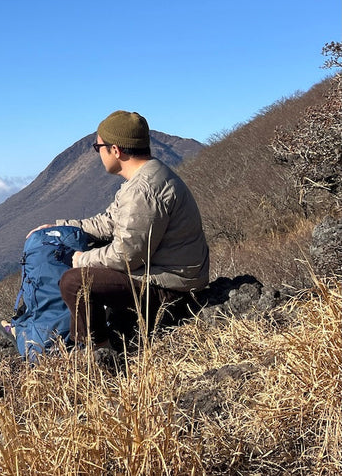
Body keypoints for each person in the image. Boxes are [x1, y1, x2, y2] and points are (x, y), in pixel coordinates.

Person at [30, 110, 209, 350]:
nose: (99, 154)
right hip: (167, 275)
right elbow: (108, 222)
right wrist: (61, 227)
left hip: (171, 289)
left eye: (98, 147)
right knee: (86, 258)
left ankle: (99, 355)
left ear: (116, 150)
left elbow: (127, 256)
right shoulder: (147, 177)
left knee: (75, 282)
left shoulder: (143, 191)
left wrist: (82, 260)